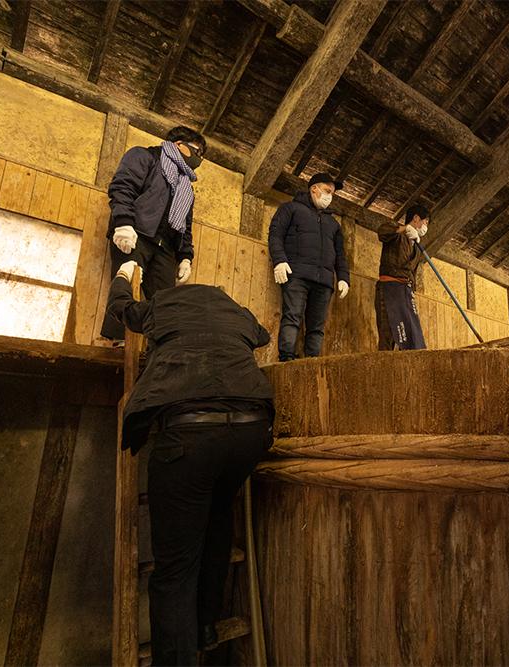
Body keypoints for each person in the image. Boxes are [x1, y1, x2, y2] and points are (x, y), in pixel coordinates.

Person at [107, 260, 275, 665]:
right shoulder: (235, 310)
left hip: (189, 437)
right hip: (252, 432)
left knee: (175, 568)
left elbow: (121, 308)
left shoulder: (162, 304)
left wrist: (125, 273)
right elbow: (263, 335)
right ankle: (206, 628)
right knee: (217, 521)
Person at [99, 126, 207, 342]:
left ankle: (160, 349)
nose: (199, 158)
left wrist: (186, 256)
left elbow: (186, 223)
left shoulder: (186, 185)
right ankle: (118, 343)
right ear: (179, 145)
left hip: (165, 247)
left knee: (167, 302)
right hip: (136, 234)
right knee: (126, 285)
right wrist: (124, 223)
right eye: (197, 152)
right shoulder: (144, 156)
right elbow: (123, 187)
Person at [267, 172, 351, 361]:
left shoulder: (333, 224)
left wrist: (344, 277)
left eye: (332, 193)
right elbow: (275, 234)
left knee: (317, 328)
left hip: (324, 281)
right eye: (327, 191)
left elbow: (340, 254)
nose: (330, 196)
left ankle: (311, 362)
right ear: (314, 188)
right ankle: (286, 359)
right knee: (292, 317)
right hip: (297, 274)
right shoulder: (290, 208)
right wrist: (279, 260)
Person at [375, 205, 430, 350]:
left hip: (405, 292)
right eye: (426, 222)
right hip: (389, 289)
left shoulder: (417, 246)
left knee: (411, 335)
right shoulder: (397, 231)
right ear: (416, 218)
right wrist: (403, 229)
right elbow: (382, 232)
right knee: (388, 335)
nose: (425, 226)